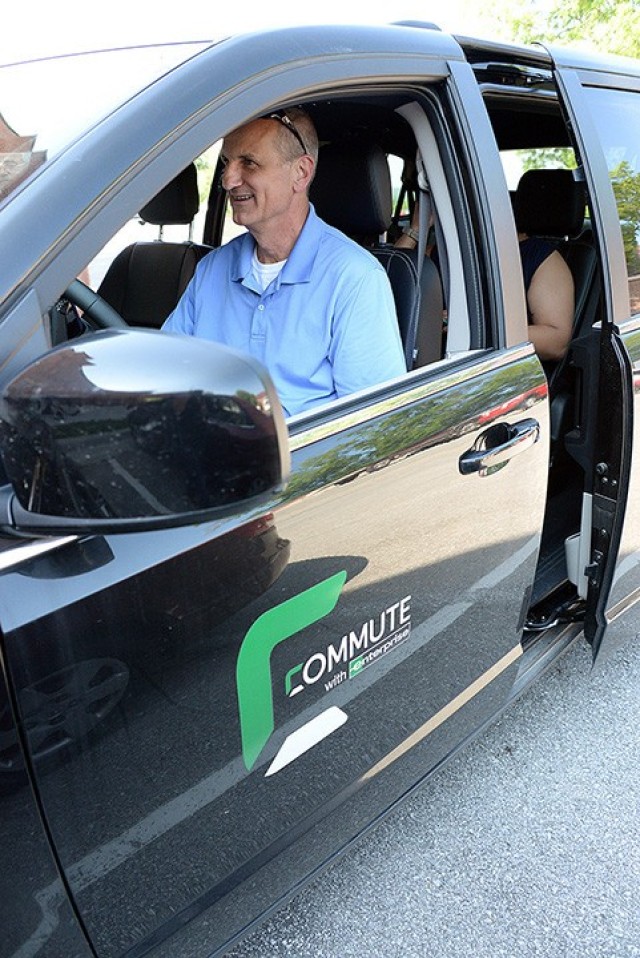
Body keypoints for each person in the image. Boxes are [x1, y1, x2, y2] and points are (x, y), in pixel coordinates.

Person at [163, 108, 406, 417]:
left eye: (248, 162)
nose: (227, 179)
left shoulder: (354, 279)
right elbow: (168, 377)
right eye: (226, 162)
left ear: (301, 173)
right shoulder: (212, 268)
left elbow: (373, 424)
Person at [396, 199, 574, 363]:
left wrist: (474, 326)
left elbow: (555, 343)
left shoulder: (541, 258)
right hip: (429, 365)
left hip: (495, 370)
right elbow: (390, 285)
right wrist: (416, 229)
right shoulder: (445, 253)